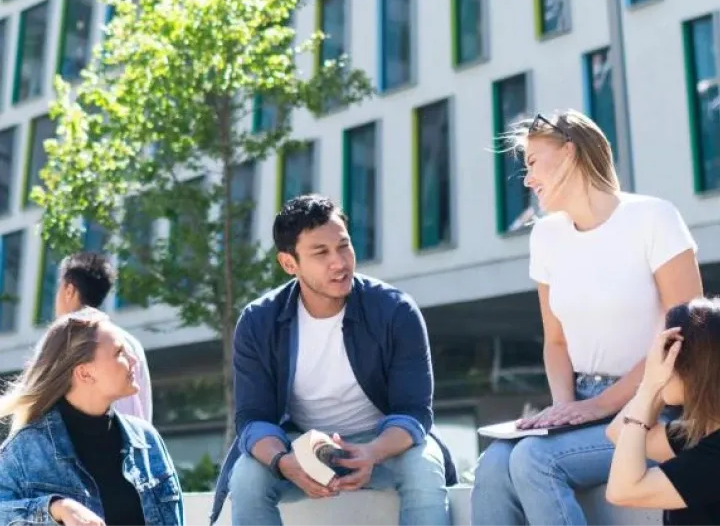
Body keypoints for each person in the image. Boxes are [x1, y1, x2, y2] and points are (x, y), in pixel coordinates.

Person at [471, 109, 703, 526]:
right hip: (580, 398)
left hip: (654, 404)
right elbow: (555, 341)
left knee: (533, 461)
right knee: (491, 466)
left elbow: (686, 337)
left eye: (532, 162)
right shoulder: (545, 237)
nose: (526, 179)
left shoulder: (654, 218)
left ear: (570, 153)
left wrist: (600, 406)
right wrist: (565, 408)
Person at [210, 194, 455, 526]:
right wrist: (283, 461)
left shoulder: (395, 310)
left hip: (383, 444)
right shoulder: (258, 321)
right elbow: (254, 419)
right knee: (247, 478)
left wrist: (373, 452)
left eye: (344, 246)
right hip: (300, 445)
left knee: (425, 467)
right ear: (289, 263)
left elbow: (414, 412)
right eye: (320, 253)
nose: (339, 262)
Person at [0, 308, 183, 526]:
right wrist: (56, 509)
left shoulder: (147, 440)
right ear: (85, 373)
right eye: (119, 353)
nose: (134, 359)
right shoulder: (25, 449)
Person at [606, 298, 720, 525]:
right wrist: (651, 387)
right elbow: (619, 432)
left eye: (665, 355)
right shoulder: (703, 431)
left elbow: (623, 490)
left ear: (694, 370)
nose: (656, 363)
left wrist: (651, 387)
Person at [55, 251, 153, 422]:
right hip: (131, 443)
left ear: (69, 290)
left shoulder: (62, 341)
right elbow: (144, 408)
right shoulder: (131, 344)